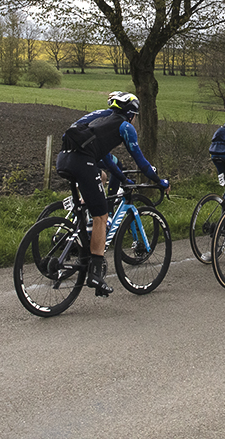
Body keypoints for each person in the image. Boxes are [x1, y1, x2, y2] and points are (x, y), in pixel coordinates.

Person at [55, 92, 159, 297]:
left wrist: (121, 178)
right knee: (101, 216)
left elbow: (109, 162)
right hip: (82, 162)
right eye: (136, 115)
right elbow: (141, 162)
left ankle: (81, 239)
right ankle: (95, 274)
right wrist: (159, 181)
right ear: (131, 114)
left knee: (100, 177)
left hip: (63, 158)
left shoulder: (99, 117)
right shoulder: (125, 126)